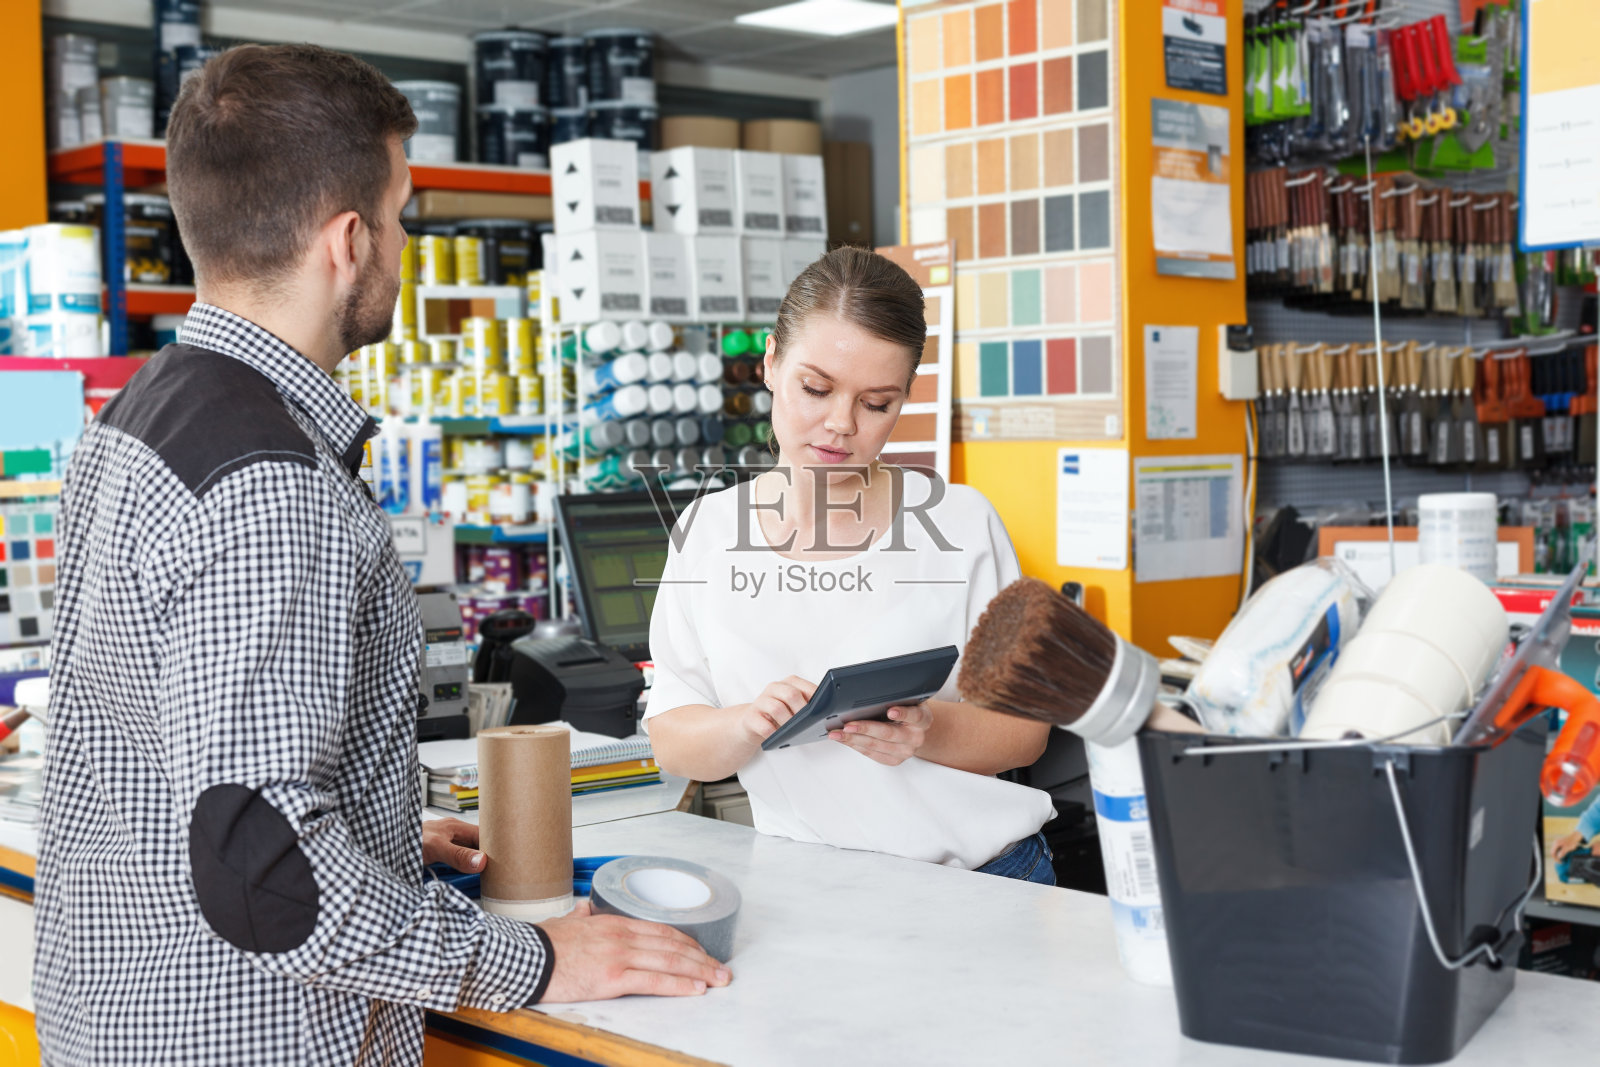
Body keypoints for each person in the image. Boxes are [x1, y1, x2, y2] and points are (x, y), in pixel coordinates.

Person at [35, 44, 725, 1067]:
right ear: (349, 240)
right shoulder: (272, 482)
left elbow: (170, 751)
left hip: (121, 1014)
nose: (402, 241)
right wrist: (534, 961)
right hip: (242, 1039)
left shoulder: (143, 416)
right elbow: (265, 873)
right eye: (403, 215)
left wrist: (370, 829)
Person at [645, 247, 1056, 881]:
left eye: (877, 403)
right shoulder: (707, 534)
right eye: (816, 388)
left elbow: (1026, 732)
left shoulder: (960, 523)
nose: (840, 425)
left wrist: (925, 731)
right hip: (808, 890)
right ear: (772, 364)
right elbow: (673, 738)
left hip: (984, 882)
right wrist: (745, 724)